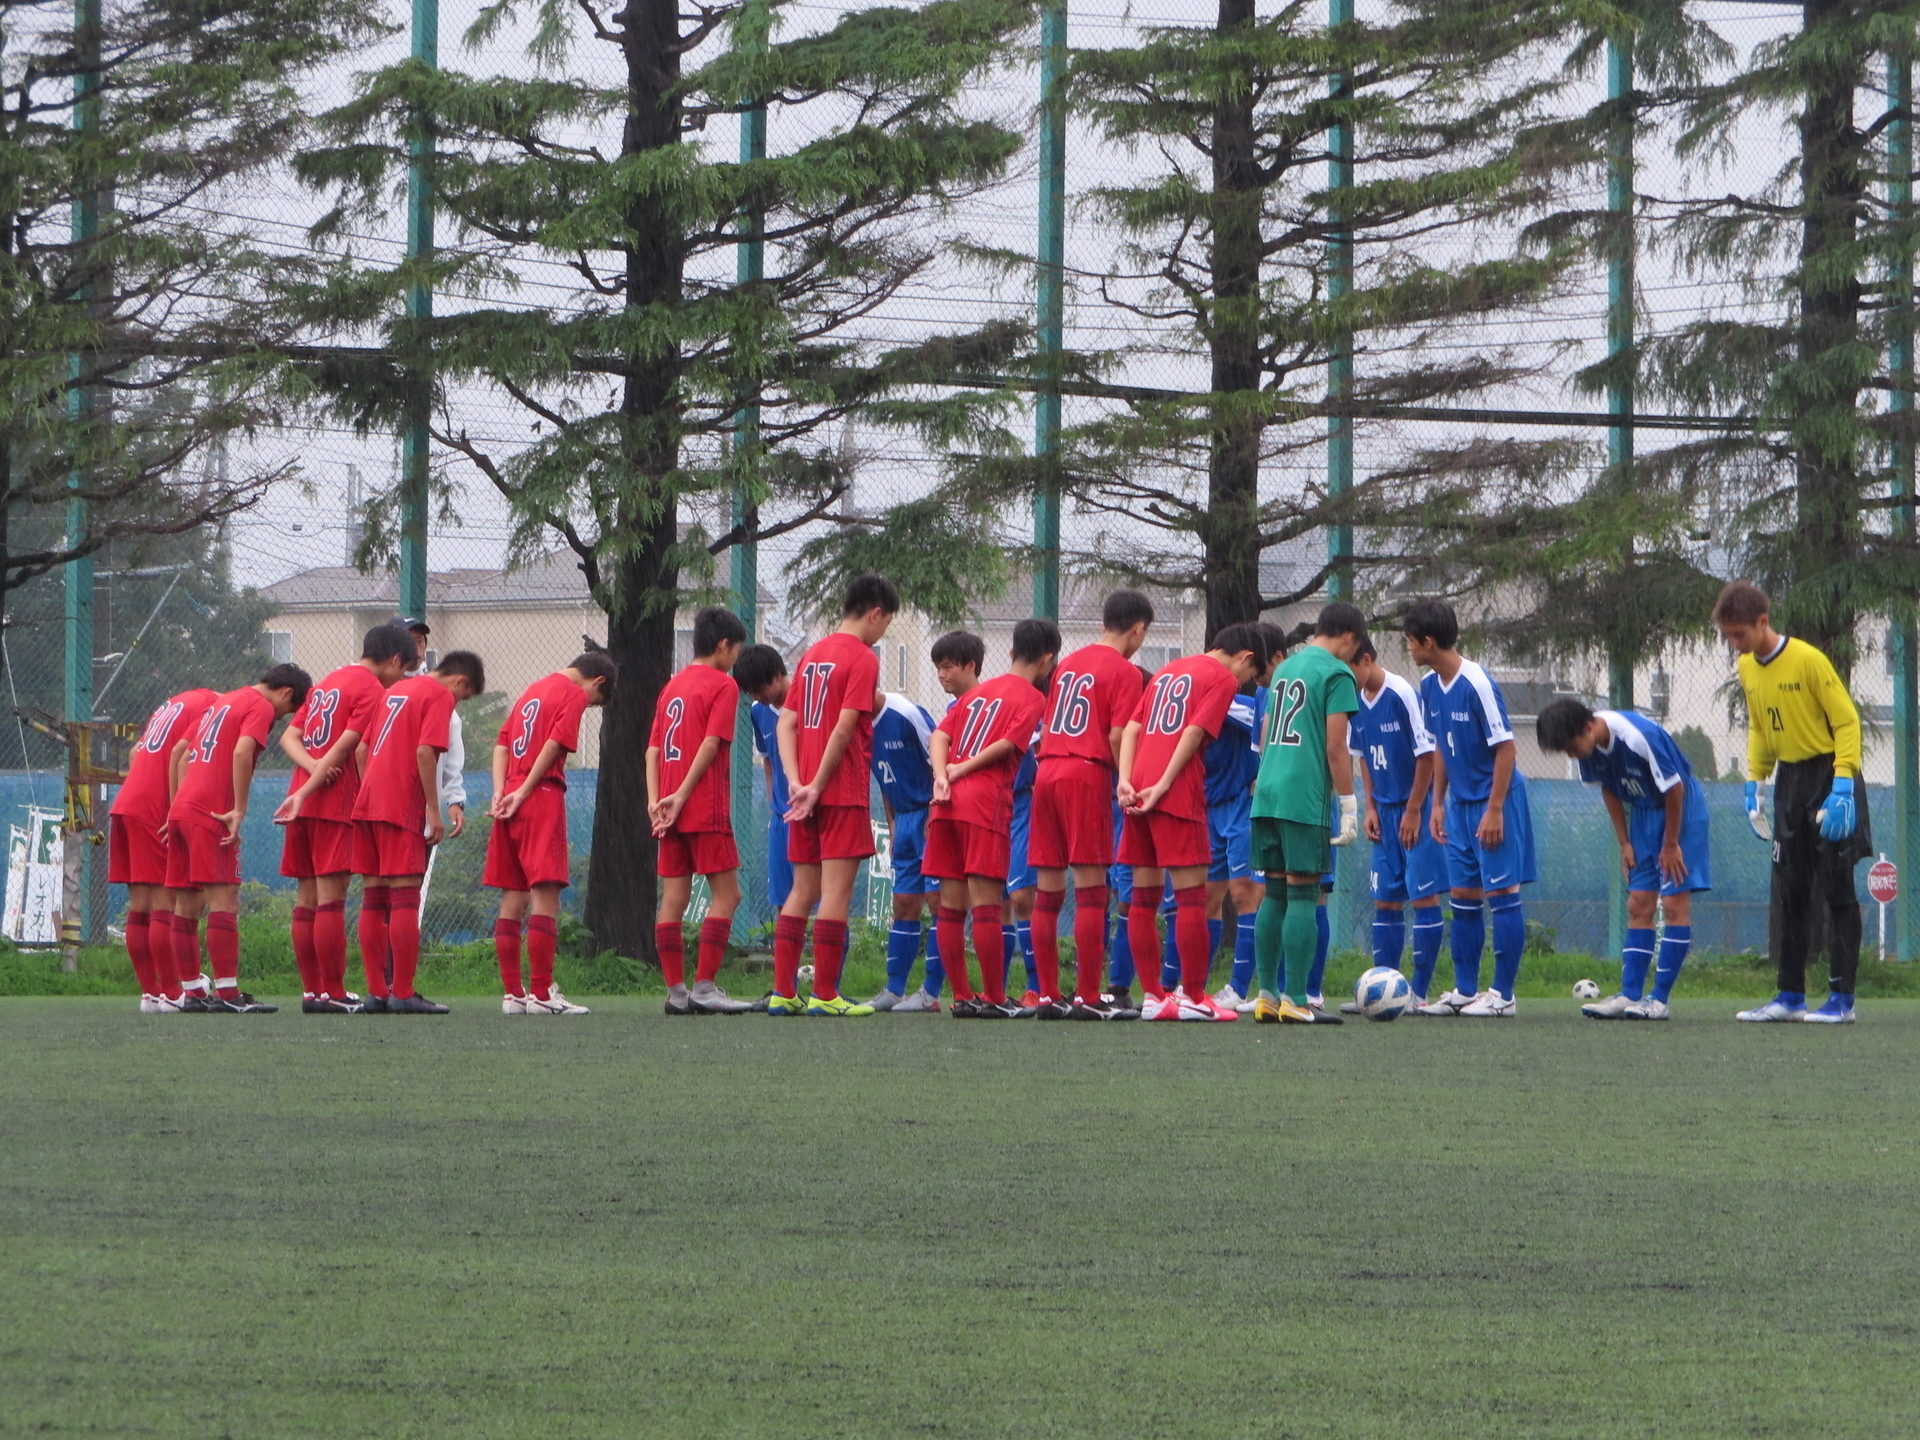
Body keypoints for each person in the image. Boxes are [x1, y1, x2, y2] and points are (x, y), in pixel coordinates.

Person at [1714, 580, 1870, 1023]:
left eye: (1740, 634)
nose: (1734, 643)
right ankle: (1789, 996)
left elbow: (1846, 722)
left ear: (1763, 622)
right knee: (1791, 893)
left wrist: (1843, 785)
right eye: (1728, 635)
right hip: (1789, 783)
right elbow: (1761, 727)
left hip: (1831, 776)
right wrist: (1755, 782)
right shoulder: (1747, 667)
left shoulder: (1808, 660)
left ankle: (1842, 1001)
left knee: (1838, 891)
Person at [1119, 623, 1273, 1021]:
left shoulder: (1170, 669)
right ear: (1245, 658)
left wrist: (1126, 779)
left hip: (1135, 787)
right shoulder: (1220, 677)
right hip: (1175, 792)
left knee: (1144, 896)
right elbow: (1194, 731)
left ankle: (1154, 997)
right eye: (1248, 678)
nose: (1242, 685)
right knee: (1191, 896)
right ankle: (1194, 998)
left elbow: (1132, 729)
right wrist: (1165, 783)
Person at [768, 574, 898, 1016]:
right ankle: (825, 995)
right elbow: (844, 728)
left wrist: (795, 782)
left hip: (803, 793)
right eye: (886, 623)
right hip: (839, 792)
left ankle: (784, 993)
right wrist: (818, 785)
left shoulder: (812, 655)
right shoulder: (862, 658)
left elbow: (784, 723)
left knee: (801, 890)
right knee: (835, 893)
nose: (883, 633)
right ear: (875, 613)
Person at [272, 622, 416, 1013]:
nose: (400, 679)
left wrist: (306, 776)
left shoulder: (329, 680)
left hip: (298, 799)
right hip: (332, 802)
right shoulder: (371, 689)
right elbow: (349, 747)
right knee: (331, 901)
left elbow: (289, 737)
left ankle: (312, 992)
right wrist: (315, 782)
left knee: (305, 901)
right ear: (394, 660)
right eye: (403, 671)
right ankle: (333, 993)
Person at [1536, 698, 1710, 1021]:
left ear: (1588, 727)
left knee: (1673, 906)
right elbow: (1609, 790)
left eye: (1572, 747)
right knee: (1638, 905)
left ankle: (1658, 999)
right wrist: (1624, 842)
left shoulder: (1637, 736)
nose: (1572, 756)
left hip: (1680, 815)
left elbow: (1676, 789)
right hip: (1643, 818)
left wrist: (1671, 843)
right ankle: (1630, 994)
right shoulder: (1589, 748)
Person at [1405, 599, 1536, 1018]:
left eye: (1410, 641)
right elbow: (1442, 745)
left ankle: (1503, 995)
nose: (1408, 648)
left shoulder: (1476, 682)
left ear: (1428, 641)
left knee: (1502, 895)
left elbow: (1507, 749)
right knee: (1462, 898)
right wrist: (1437, 803)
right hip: (1458, 806)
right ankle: (1465, 990)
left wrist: (1495, 808)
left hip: (1494, 802)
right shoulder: (1429, 687)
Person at [1029, 589, 1153, 1020]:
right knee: (1090, 889)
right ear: (1137, 630)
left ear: (1104, 623)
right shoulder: (1127, 671)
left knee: (1047, 890)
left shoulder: (1068, 664)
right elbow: (1119, 735)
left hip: (1046, 771)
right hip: (1085, 772)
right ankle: (1086, 995)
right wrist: (1126, 779)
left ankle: (1047, 994)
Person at [164, 663, 312, 1013]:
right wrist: (239, 809)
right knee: (224, 898)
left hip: (184, 807)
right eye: (287, 711)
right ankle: (228, 995)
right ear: (287, 693)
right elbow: (243, 751)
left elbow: (183, 756)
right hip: (211, 812)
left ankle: (192, 992)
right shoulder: (259, 705)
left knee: (186, 904)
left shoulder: (224, 700)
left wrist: (178, 807)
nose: (281, 718)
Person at [926, 620, 1056, 1017]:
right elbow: (1006, 745)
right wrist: (962, 771)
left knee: (950, 906)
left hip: (944, 803)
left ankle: (963, 997)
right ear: (1047, 660)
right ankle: (996, 998)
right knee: (985, 904)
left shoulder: (978, 693)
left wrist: (941, 776)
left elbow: (939, 737)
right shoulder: (1034, 698)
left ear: (1012, 652)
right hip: (983, 803)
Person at [349, 650, 482, 1014]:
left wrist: (371, 789)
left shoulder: (393, 691)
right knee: (406, 896)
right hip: (400, 806)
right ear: (459, 682)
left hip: (367, 803)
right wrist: (432, 810)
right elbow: (426, 752)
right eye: (463, 697)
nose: (457, 703)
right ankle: (403, 992)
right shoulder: (437, 695)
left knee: (373, 898)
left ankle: (377, 991)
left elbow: (361, 750)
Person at [1249, 605, 1363, 1024]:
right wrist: (1349, 805)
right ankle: (1296, 998)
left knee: (1274, 892)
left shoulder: (1284, 669)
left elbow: (1266, 734)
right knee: (1303, 891)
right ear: (1349, 638)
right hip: (1302, 795)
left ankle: (1266, 994)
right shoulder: (1337, 673)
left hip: (1267, 792)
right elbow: (1337, 748)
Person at [486, 653, 613, 1016]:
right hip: (539, 796)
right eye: (595, 702)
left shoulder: (532, 690)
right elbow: (555, 744)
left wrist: (501, 791)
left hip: (507, 797)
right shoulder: (572, 693)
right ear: (597, 682)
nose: (588, 705)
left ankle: (514, 995)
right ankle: (541, 993)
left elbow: (501, 745)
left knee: (513, 898)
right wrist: (525, 789)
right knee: (546, 897)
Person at [647, 607, 755, 1016]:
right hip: (703, 806)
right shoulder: (722, 686)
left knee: (673, 897)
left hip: (668, 811)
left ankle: (676, 992)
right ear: (723, 646)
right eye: (736, 650)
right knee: (728, 894)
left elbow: (653, 750)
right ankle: (705, 987)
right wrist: (683, 796)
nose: (735, 660)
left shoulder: (671, 686)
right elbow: (710, 745)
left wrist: (657, 801)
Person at [1336, 638, 1447, 1008]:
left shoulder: (1402, 694)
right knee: (1386, 900)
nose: (1345, 676)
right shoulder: (1353, 703)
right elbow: (1364, 758)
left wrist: (1414, 810)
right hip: (1382, 813)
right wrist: (1369, 807)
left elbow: (1427, 755)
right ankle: (1381, 992)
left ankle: (1418, 992)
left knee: (1423, 896)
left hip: (1413, 808)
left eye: (1350, 667)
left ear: (1366, 659)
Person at [109, 684, 219, 1011]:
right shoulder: (215, 707)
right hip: (155, 808)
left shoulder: (174, 703)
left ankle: (151, 993)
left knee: (140, 904)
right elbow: (184, 756)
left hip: (128, 801)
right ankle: (173, 994)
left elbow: (134, 753)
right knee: (163, 902)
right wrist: (178, 808)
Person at [865, 681, 944, 1012]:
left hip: (930, 815)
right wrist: (892, 822)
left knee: (941, 903)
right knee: (903, 903)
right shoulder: (859, 726)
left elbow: (940, 760)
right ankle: (895, 989)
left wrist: (936, 811)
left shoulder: (906, 713)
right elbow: (884, 779)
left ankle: (932, 991)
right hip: (903, 820)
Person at [734, 643, 795, 915]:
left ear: (777, 676)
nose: (757, 697)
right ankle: (788, 960)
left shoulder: (807, 704)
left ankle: (826, 959)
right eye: (751, 693)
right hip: (782, 819)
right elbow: (768, 758)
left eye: (760, 689)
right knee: (784, 903)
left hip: (810, 816)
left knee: (822, 902)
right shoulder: (759, 712)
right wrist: (774, 803)